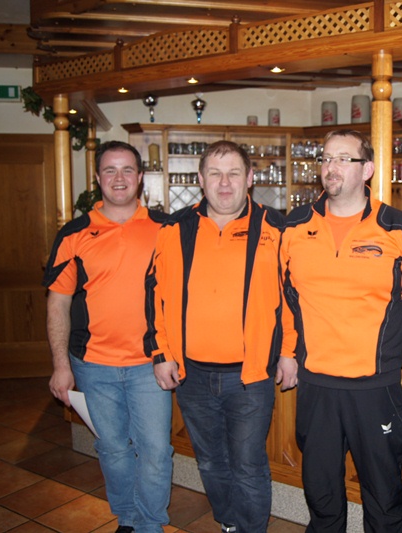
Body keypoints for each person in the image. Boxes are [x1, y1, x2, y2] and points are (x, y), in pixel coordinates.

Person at [278, 129, 402, 532]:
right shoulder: (295, 226)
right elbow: (284, 298)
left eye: (344, 158)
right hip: (316, 384)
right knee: (321, 493)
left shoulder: (397, 228)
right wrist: (288, 351)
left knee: (383, 496)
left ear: (368, 169)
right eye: (326, 158)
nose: (331, 167)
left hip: (375, 386)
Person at [146, 140, 291, 533]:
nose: (224, 183)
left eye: (233, 173)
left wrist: (289, 351)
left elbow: (292, 296)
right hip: (191, 375)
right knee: (210, 461)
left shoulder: (276, 228)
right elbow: (154, 294)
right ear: (201, 179)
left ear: (250, 178)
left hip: (250, 376)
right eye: (215, 173)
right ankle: (229, 523)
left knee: (248, 464)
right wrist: (161, 353)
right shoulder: (174, 229)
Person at [44, 141, 173, 533]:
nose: (119, 178)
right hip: (93, 365)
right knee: (113, 449)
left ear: (141, 177)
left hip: (150, 364)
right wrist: (61, 366)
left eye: (128, 169)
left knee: (155, 452)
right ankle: (128, 519)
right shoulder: (74, 233)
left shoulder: (166, 229)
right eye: (110, 170)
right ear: (98, 178)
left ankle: (150, 525)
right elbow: (57, 304)